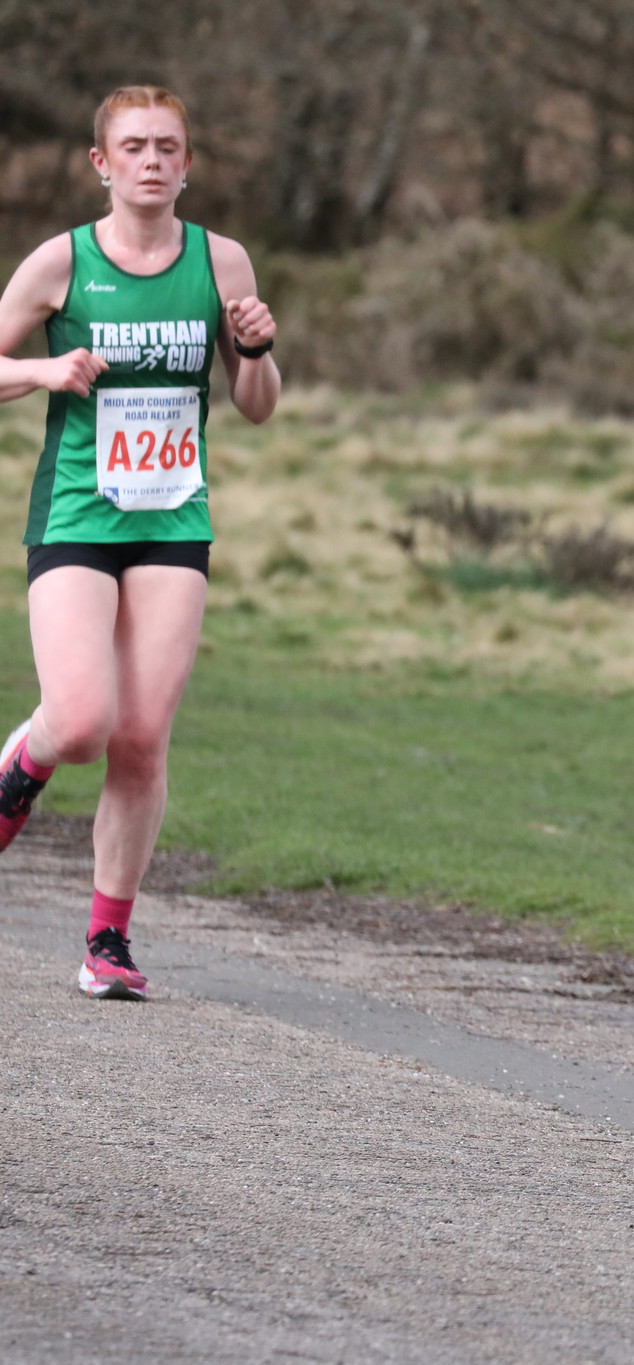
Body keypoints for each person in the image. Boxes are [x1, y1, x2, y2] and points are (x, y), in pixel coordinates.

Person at [0, 85, 279, 1000]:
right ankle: (19, 770)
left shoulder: (221, 260)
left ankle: (106, 941)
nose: (152, 160)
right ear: (102, 163)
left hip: (173, 521)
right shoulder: (63, 262)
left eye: (168, 146)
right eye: (134, 147)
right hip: (78, 514)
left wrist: (258, 349)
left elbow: (257, 406)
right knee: (81, 720)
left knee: (142, 737)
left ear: (187, 163)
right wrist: (47, 367)